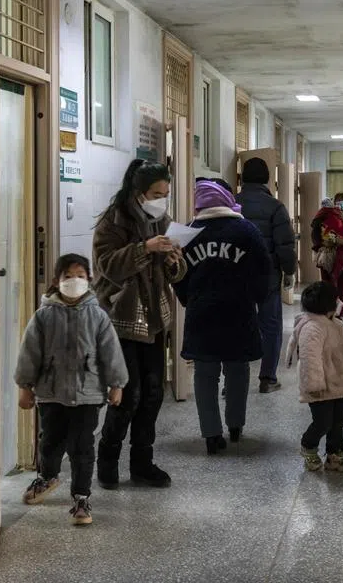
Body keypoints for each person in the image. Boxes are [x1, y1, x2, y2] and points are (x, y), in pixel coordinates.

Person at [14, 254, 128, 525]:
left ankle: (81, 498)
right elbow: (30, 353)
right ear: (56, 281)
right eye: (67, 276)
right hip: (51, 393)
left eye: (80, 275)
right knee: (50, 440)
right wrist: (24, 386)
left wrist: (117, 384)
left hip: (88, 394)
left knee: (82, 447)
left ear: (89, 280)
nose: (74, 281)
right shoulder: (43, 316)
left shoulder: (98, 316)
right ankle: (48, 476)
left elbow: (110, 352)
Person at [92, 159, 184, 489]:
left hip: (155, 319)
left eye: (166, 194)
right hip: (121, 320)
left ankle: (142, 462)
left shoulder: (162, 221)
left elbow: (174, 274)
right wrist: (144, 248)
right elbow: (107, 267)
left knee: (154, 393)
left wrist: (174, 260)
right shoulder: (112, 222)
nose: (162, 200)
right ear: (138, 192)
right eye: (157, 194)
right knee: (127, 395)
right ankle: (107, 459)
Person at [173, 179, 272, 454]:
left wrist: (187, 298)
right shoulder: (247, 230)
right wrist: (257, 298)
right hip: (238, 311)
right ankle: (236, 425)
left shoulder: (185, 233)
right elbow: (264, 270)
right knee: (237, 371)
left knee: (205, 374)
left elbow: (176, 273)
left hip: (201, 312)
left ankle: (211, 434)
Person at [285, 281, 343, 474]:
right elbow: (309, 359)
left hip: (338, 382)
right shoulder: (312, 328)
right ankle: (308, 446)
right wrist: (314, 384)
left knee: (338, 421)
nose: (339, 301)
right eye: (336, 299)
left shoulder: (337, 324)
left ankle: (335, 455)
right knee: (323, 422)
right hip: (320, 385)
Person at [236, 158, 297, 393]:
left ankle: (233, 378)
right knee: (270, 326)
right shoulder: (275, 207)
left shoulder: (231, 203)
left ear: (242, 178)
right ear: (268, 179)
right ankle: (268, 378)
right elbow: (284, 244)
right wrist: (289, 271)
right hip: (267, 276)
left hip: (235, 275)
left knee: (238, 325)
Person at [311, 192, 343, 318]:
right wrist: (323, 243)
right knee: (327, 287)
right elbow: (315, 232)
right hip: (328, 255)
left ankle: (339, 317)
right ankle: (328, 315)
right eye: (338, 200)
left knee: (342, 290)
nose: (341, 203)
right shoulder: (326, 213)